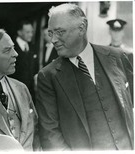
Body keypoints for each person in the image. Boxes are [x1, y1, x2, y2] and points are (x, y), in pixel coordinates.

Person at [36, 3, 133, 151]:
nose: (53, 40)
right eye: (51, 33)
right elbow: (50, 135)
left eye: (60, 32)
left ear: (82, 27)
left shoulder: (117, 57)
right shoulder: (48, 76)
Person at [10, 20, 38, 102]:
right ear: (19, 32)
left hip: (30, 93)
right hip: (16, 92)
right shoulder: (11, 47)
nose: (31, 35)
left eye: (32, 32)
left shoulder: (33, 47)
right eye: (27, 32)